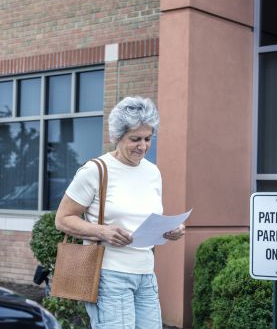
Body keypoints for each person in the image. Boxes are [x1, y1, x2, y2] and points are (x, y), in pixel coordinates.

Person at [55, 96, 185, 329]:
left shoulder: (153, 172)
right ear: (117, 137)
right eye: (135, 139)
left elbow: (146, 220)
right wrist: (102, 231)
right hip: (109, 275)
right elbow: (63, 219)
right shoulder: (95, 170)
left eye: (148, 138)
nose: (143, 146)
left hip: (146, 275)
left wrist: (169, 231)